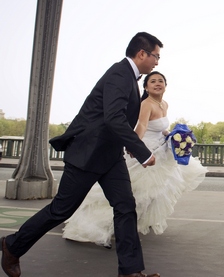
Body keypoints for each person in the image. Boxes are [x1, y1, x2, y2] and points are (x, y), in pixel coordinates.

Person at [1, 32, 163, 277]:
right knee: (60, 210)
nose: (157, 62)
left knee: (125, 206)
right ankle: (12, 246)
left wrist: (126, 143)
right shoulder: (120, 74)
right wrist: (141, 151)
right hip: (88, 153)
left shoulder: (129, 76)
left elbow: (115, 119)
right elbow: (113, 118)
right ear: (142, 53)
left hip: (109, 156)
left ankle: (130, 272)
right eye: (156, 56)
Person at [62, 71, 207, 247]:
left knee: (153, 192)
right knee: (136, 191)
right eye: (152, 81)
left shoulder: (164, 104)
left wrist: (174, 136)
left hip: (161, 150)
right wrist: (135, 146)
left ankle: (131, 224)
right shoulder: (146, 104)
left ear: (165, 86)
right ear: (146, 87)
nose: (157, 83)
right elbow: (143, 125)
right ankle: (98, 225)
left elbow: (160, 127)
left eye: (160, 81)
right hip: (148, 149)